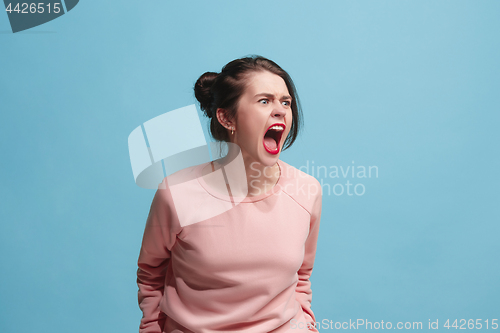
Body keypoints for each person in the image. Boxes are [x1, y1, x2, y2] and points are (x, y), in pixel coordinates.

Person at [136, 55, 322, 333]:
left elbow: (302, 275)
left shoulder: (306, 191)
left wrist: (306, 324)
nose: (281, 110)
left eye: (286, 102)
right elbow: (150, 274)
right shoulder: (176, 193)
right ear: (226, 117)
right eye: (264, 101)